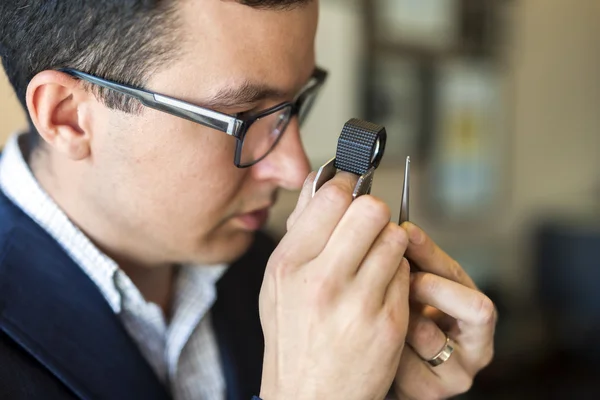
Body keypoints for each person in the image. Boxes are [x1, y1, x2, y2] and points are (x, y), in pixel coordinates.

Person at [0, 1, 497, 399]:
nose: (295, 169)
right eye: (241, 118)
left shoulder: (284, 274)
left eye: (294, 104)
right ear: (67, 117)